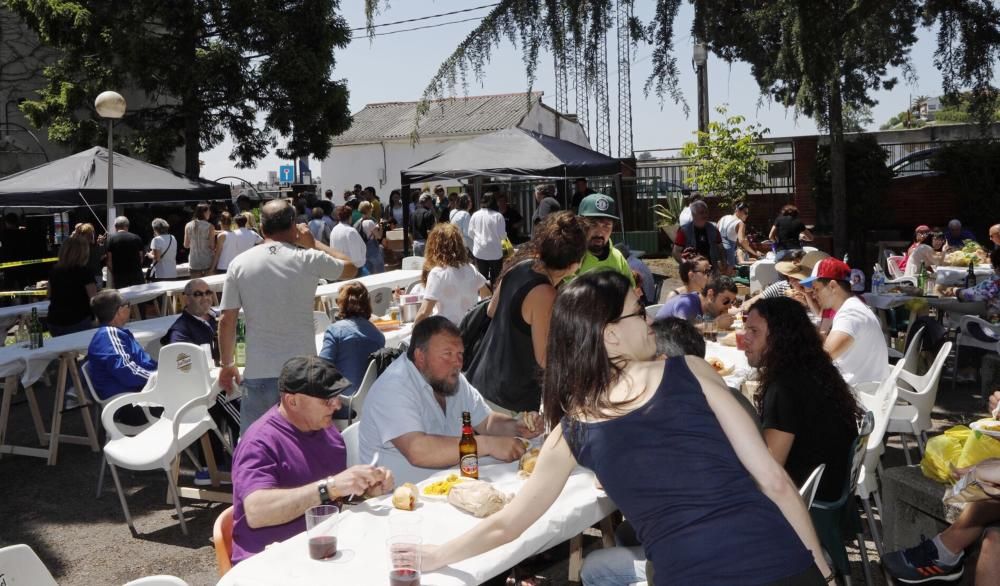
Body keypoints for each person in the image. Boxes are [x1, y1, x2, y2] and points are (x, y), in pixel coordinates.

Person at [419, 270, 832, 583]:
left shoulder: (573, 428)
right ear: (610, 337)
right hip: (782, 560)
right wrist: (824, 571)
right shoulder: (691, 369)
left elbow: (509, 523)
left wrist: (433, 557)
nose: (649, 320)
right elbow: (774, 481)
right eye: (638, 313)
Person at [230, 356, 394, 565]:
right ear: (292, 401)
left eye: (337, 396)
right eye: (326, 400)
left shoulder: (328, 433)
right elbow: (256, 512)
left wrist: (365, 490)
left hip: (320, 550)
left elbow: (329, 500)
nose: (336, 406)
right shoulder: (259, 442)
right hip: (267, 562)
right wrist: (329, 487)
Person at [217, 199, 356, 434]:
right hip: (302, 373)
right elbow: (351, 267)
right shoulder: (309, 258)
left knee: (257, 448)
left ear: (262, 228)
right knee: (305, 446)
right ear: (294, 225)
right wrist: (314, 244)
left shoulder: (239, 264)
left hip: (259, 370)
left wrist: (227, 363)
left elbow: (226, 319)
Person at [358, 316, 542, 484]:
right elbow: (418, 450)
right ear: (420, 356)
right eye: (447, 354)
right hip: (399, 502)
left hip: (451, 488)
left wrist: (517, 426)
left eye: (460, 354)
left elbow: (487, 422)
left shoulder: (451, 379)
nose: (457, 362)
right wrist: (487, 444)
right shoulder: (394, 386)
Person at [466, 212, 586, 414]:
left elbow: (491, 310)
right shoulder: (545, 295)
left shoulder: (520, 266)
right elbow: (545, 359)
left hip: (480, 381)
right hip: (506, 399)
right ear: (575, 264)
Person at [743, 297, 862, 502]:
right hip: (832, 496)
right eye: (746, 329)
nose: (745, 338)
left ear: (779, 338)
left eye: (754, 331)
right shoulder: (815, 370)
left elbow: (769, 469)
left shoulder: (785, 386)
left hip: (809, 506)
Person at [800, 258, 888, 385]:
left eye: (816, 289)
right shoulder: (853, 308)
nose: (814, 295)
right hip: (863, 390)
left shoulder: (850, 314)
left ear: (832, 286)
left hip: (860, 396)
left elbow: (822, 358)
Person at [86, 290, 156, 404]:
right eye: (128, 305)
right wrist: (158, 378)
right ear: (119, 311)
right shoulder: (108, 335)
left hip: (138, 394)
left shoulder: (112, 333)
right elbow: (128, 372)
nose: (130, 308)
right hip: (129, 402)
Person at [318, 282, 385, 399]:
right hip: (371, 402)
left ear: (341, 304)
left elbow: (322, 369)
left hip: (342, 404)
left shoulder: (334, 331)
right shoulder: (378, 335)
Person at [414, 224, 491, 325]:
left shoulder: (437, 274)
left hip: (447, 333)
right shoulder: (470, 269)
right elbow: (487, 297)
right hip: (469, 331)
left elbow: (424, 312)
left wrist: (414, 330)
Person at [574, 193, 635, 287]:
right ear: (580, 225)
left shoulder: (617, 257)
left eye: (606, 225)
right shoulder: (570, 257)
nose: (599, 233)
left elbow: (631, 295)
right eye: (593, 224)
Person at [47, 236, 97, 336]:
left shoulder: (54, 271)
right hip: (79, 319)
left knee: (62, 350)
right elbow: (94, 299)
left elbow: (49, 294)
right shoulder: (85, 272)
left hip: (55, 320)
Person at [654, 274, 737, 330]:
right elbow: (682, 331)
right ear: (711, 295)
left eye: (732, 302)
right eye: (726, 301)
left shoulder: (707, 308)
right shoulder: (686, 303)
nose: (729, 306)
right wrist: (715, 325)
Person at [672, 200, 726, 272]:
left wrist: (723, 261)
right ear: (693, 214)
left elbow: (720, 247)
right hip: (692, 271)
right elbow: (676, 252)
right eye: (701, 213)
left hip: (711, 269)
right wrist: (686, 263)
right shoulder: (684, 230)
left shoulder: (714, 228)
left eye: (706, 212)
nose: (705, 215)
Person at [467, 192, 507, 286]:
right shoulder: (498, 216)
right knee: (496, 278)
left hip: (480, 251)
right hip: (495, 252)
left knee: (481, 278)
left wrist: (479, 240)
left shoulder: (475, 215)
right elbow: (502, 236)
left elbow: (470, 233)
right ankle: (494, 297)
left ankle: (483, 298)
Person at [105, 216, 144, 288]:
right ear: (127, 226)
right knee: (137, 298)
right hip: (136, 275)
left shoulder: (110, 239)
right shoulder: (136, 238)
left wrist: (114, 273)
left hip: (120, 276)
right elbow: (141, 258)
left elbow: (109, 261)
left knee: (122, 298)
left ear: (115, 226)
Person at [717, 202, 761, 266]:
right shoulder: (740, 223)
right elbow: (742, 241)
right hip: (729, 254)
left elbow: (716, 231)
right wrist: (754, 253)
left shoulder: (723, 218)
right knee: (730, 274)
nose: (747, 215)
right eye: (745, 213)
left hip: (717, 251)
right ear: (738, 211)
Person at [329, 205, 367, 273]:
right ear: (350, 217)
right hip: (352, 270)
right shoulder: (350, 231)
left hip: (339, 268)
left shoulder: (334, 230)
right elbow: (357, 257)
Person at [184, 203, 216, 278]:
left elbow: (186, 245)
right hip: (207, 261)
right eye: (209, 211)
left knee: (196, 287)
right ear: (204, 212)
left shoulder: (188, 225)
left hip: (194, 262)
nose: (210, 213)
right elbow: (212, 246)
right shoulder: (210, 226)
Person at [355, 200, 384, 274]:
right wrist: (381, 227)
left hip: (363, 250)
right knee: (380, 270)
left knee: (369, 272)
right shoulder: (370, 222)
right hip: (372, 248)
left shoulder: (358, 222)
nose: (372, 210)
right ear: (368, 210)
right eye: (371, 209)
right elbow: (379, 236)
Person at [72, 222, 105, 287]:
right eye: (90, 233)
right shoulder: (80, 247)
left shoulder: (77, 246)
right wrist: (101, 244)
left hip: (89, 276)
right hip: (92, 276)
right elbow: (101, 257)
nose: (92, 235)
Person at [411, 192, 437, 256]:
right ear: (427, 201)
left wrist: (412, 243)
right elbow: (429, 231)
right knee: (427, 264)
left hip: (415, 243)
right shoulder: (428, 213)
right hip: (425, 243)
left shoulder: (413, 214)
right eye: (430, 202)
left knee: (418, 265)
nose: (431, 204)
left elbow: (410, 232)